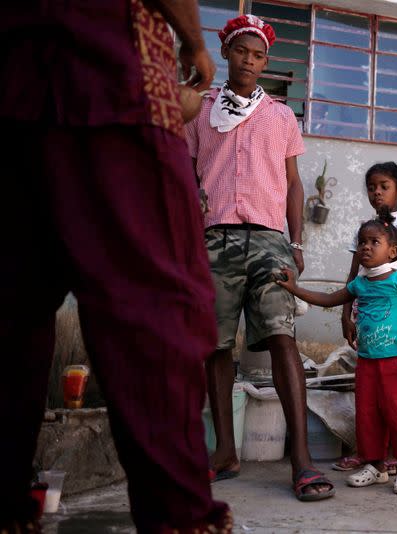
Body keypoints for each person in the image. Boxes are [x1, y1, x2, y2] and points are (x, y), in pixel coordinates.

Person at [0, 0, 234, 531]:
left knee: (10, 312)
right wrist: (193, 39)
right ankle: (179, 517)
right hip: (111, 71)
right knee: (157, 309)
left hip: (14, 79)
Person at [184, 14, 334, 501]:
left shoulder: (280, 115)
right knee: (216, 346)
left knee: (282, 339)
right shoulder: (201, 110)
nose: (250, 61)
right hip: (214, 239)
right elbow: (186, 173)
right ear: (225, 52)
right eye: (241, 51)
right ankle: (225, 451)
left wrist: (296, 242)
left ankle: (302, 461)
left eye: (259, 55)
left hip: (270, 240)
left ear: (266, 62)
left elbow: (292, 183)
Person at [278, 210, 397, 495]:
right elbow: (329, 298)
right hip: (368, 363)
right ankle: (376, 466)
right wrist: (294, 288)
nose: (366, 247)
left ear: (393, 251)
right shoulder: (359, 284)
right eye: (362, 242)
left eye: (374, 242)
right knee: (368, 414)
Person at [334, 161, 397, 473]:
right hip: (369, 318)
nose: (376, 192)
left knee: (395, 396)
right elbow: (352, 277)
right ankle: (370, 456)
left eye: (383, 186)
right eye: (372, 187)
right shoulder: (365, 230)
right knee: (371, 396)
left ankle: (395, 457)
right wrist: (345, 315)